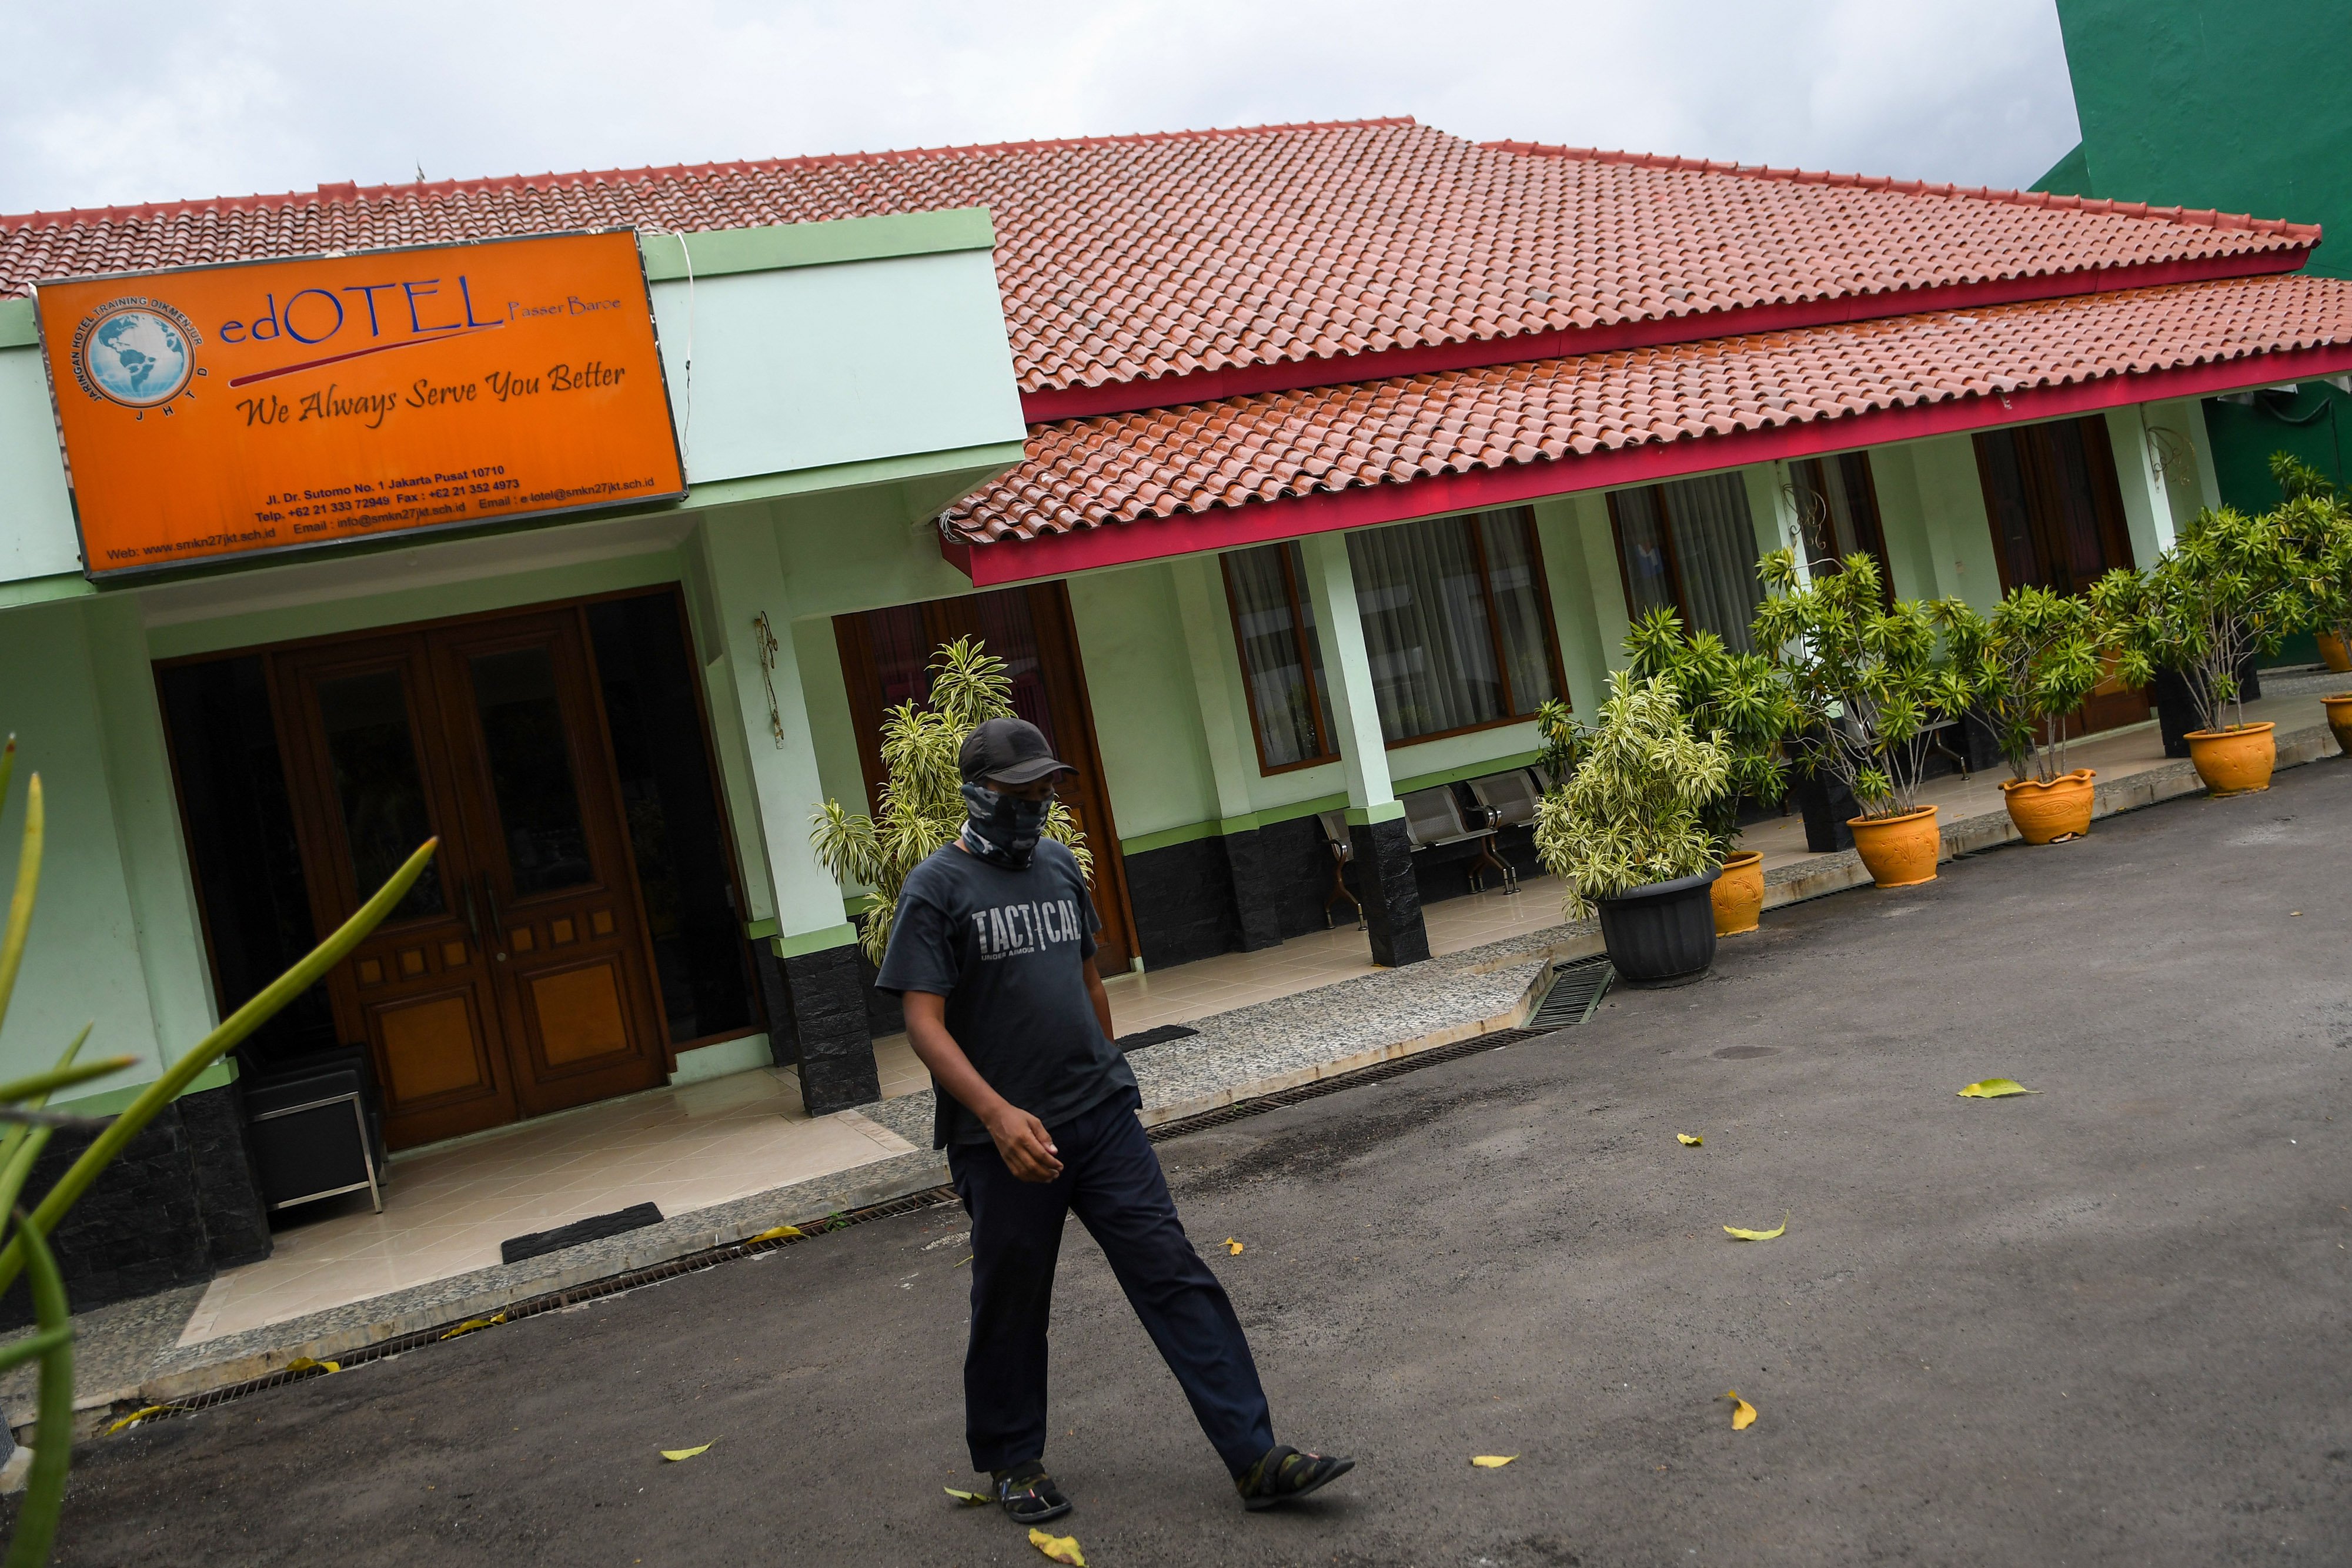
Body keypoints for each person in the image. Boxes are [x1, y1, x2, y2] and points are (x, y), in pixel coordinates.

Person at [876, 716, 1354, 1524]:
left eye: (1045, 790)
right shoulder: (937, 888)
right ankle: (1010, 1459)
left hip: (1100, 1119)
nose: (1036, 804)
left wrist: (1103, 1064)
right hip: (1006, 1144)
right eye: (1017, 792)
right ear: (975, 794)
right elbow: (924, 1023)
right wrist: (995, 1115)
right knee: (1013, 1299)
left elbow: (1088, 977)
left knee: (1172, 1272)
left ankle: (1255, 1455)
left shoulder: (1060, 866)